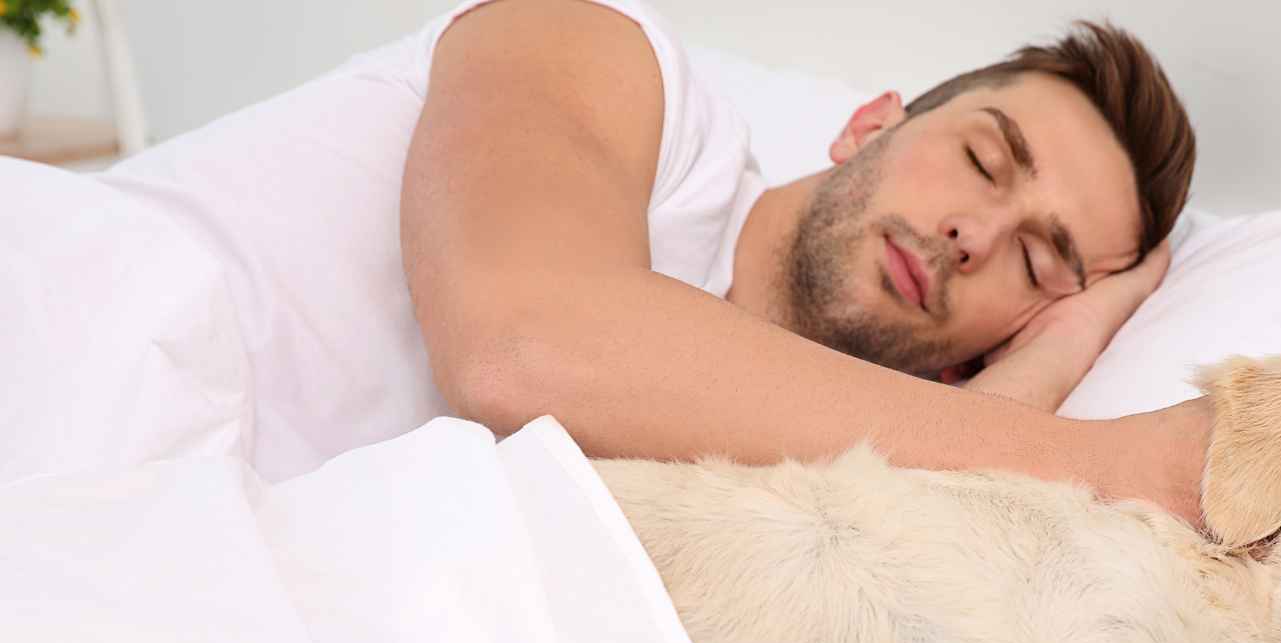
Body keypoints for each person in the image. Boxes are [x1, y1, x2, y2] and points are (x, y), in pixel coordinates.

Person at [98, 0, 1214, 526]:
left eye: (1037, 260)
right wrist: (1096, 460)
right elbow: (521, 343)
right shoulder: (616, 63)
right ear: (867, 122)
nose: (977, 232)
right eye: (983, 158)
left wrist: (1060, 351)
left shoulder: (793, 490)